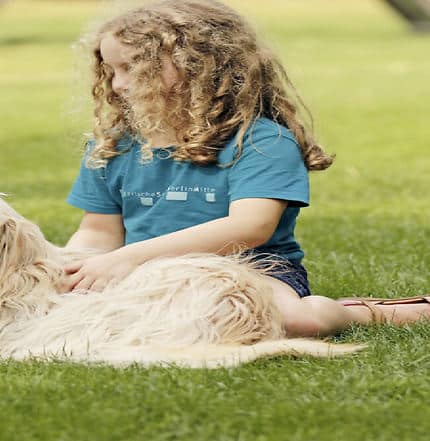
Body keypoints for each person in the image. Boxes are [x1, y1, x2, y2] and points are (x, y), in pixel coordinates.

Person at [61, 0, 430, 337]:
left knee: (298, 321)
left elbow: (250, 227)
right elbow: (97, 232)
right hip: (150, 275)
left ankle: (362, 313)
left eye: (131, 68)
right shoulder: (113, 145)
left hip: (252, 271)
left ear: (196, 64)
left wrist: (127, 257)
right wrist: (73, 268)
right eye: (110, 70)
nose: (118, 84)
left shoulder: (260, 140)